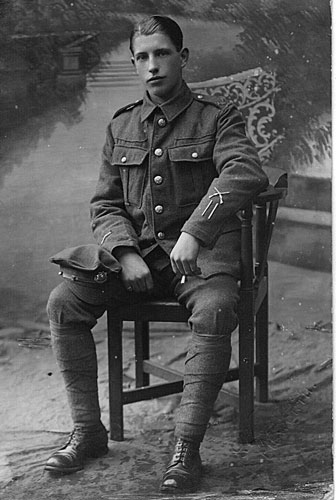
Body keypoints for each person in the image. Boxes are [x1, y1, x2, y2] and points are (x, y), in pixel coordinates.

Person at [45, 15, 268, 493]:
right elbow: (105, 203)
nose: (152, 66)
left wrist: (197, 230)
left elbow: (246, 172)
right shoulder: (121, 124)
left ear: (182, 58)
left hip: (200, 261)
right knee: (64, 302)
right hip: (139, 261)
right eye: (142, 57)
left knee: (214, 310)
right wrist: (125, 253)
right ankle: (88, 432)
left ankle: (186, 448)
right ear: (133, 64)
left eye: (162, 53)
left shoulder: (217, 117)